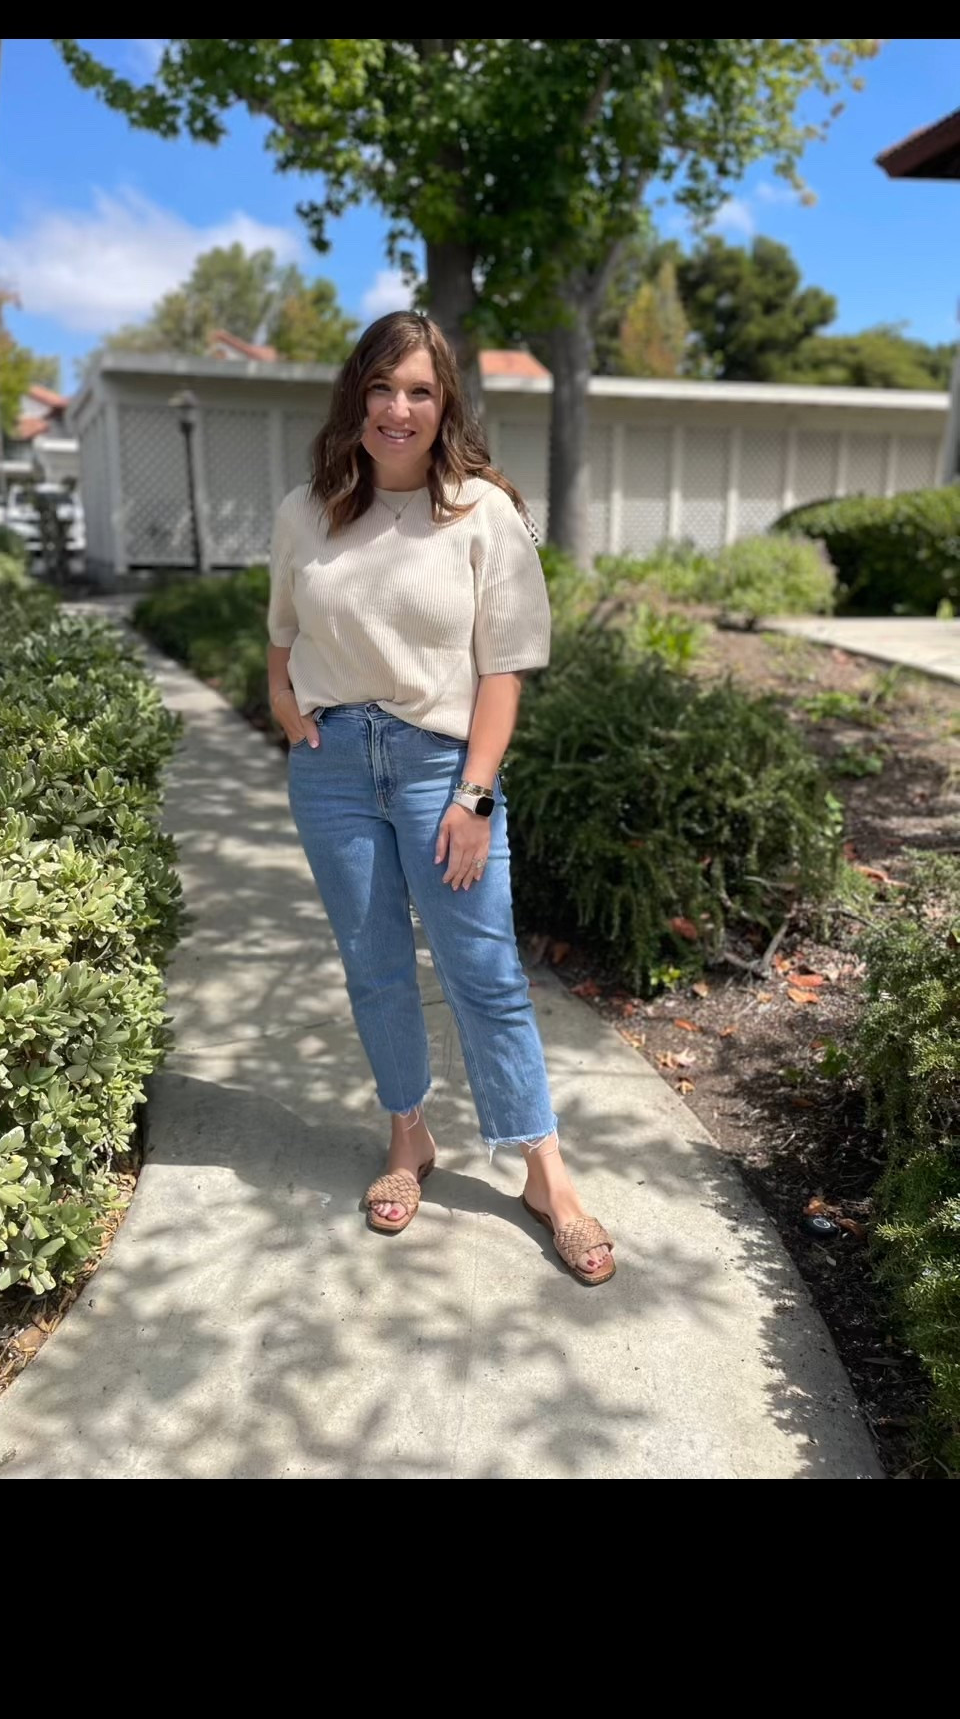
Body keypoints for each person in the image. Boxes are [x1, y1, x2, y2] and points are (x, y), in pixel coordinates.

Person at [268, 311, 614, 1286]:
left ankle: (545, 1174)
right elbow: (282, 635)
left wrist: (475, 794)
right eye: (381, 387)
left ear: (443, 403)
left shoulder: (481, 513)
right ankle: (408, 1135)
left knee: (485, 973)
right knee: (374, 967)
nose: (399, 408)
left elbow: (504, 670)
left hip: (439, 770)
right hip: (334, 771)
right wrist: (287, 709)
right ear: (356, 397)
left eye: (419, 390)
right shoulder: (305, 512)